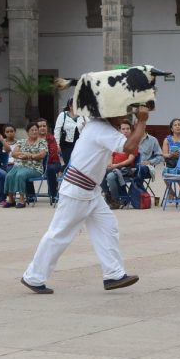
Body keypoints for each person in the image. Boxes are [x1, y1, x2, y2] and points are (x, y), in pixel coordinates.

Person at [21, 105, 150, 294]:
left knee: (108, 226)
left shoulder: (99, 127)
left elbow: (128, 142)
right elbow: (130, 147)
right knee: (59, 234)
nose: (124, 117)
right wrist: (143, 120)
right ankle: (33, 276)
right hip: (77, 189)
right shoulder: (100, 129)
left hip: (90, 191)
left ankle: (113, 274)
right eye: (121, 113)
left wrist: (139, 121)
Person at [2, 122, 47, 208]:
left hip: (35, 168)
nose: (34, 132)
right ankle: (11, 199)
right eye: (32, 130)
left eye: (36, 130)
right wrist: (24, 154)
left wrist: (30, 156)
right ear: (27, 132)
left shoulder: (42, 142)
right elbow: (14, 153)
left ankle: (22, 200)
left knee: (20, 175)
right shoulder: (21, 141)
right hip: (20, 165)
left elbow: (42, 155)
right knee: (9, 175)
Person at [102, 120, 136, 209]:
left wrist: (116, 166)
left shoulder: (133, 143)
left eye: (127, 129)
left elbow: (130, 160)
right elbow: (111, 156)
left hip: (126, 169)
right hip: (114, 167)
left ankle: (115, 200)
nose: (125, 131)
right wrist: (110, 164)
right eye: (123, 129)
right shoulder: (116, 142)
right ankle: (108, 195)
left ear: (131, 130)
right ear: (119, 130)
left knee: (110, 177)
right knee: (100, 172)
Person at [37, 118, 62, 203]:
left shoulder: (51, 138)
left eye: (44, 126)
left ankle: (53, 194)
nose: (42, 128)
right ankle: (30, 195)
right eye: (40, 126)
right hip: (38, 164)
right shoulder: (33, 138)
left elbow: (53, 153)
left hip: (53, 163)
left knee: (50, 169)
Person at [53, 97, 85, 166]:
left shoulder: (83, 116)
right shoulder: (63, 115)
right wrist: (57, 145)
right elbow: (57, 130)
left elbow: (90, 128)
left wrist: (86, 125)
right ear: (70, 106)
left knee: (77, 164)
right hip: (66, 145)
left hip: (79, 145)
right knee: (67, 164)